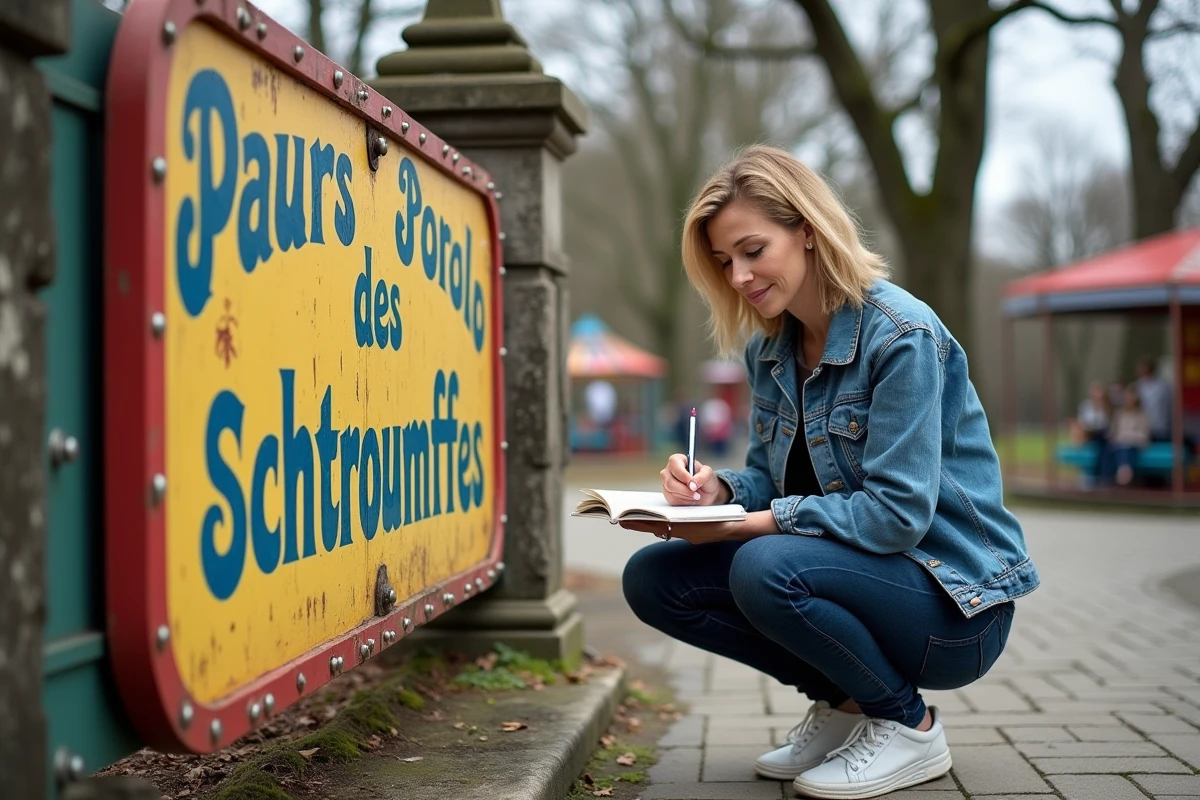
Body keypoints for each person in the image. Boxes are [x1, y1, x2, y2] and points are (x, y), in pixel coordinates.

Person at [617, 145, 1039, 799]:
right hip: (862, 580)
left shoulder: (901, 337)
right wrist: (716, 492)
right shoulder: (773, 349)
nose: (738, 276)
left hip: (955, 610)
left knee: (765, 566)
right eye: (725, 262)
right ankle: (846, 705)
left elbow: (896, 516)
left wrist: (742, 528)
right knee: (654, 579)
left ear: (807, 231)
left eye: (753, 250)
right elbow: (768, 477)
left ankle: (910, 726)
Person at [1105, 384, 1151, 486]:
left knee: (1126, 448)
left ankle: (1124, 473)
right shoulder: (1119, 414)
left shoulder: (1142, 415)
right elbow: (1113, 432)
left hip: (1135, 445)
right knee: (1110, 449)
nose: (1129, 400)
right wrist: (1119, 438)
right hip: (1119, 444)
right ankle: (1112, 477)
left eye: (1131, 397)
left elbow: (1144, 435)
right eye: (1127, 398)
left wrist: (1128, 437)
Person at [1135, 357, 1171, 442]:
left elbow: (1170, 406)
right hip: (1142, 427)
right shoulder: (1138, 385)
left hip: (1160, 426)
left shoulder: (1163, 386)